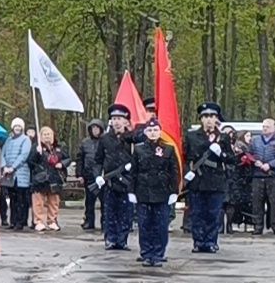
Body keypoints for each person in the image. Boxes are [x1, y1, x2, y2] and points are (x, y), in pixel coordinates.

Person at [182, 103, 234, 253]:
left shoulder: (223, 138)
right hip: (197, 180)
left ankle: (211, 241)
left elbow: (231, 159)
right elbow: (184, 157)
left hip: (216, 181)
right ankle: (198, 241)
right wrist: (187, 173)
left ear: (217, 119)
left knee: (213, 213)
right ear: (201, 119)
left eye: (212, 116)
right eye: (205, 116)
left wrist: (221, 154)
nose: (209, 120)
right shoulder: (192, 136)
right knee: (197, 213)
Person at [131, 120, 180, 266]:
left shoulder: (168, 149)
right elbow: (134, 172)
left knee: (161, 225)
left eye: (155, 130)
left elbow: (174, 172)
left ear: (160, 131)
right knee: (145, 225)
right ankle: (146, 254)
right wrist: (131, 191)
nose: (152, 133)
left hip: (162, 192)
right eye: (150, 130)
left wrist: (174, 191)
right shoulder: (139, 150)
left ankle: (158, 254)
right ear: (146, 132)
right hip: (143, 192)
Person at [95, 104, 137, 250]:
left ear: (126, 121)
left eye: (120, 118)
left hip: (127, 181)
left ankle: (122, 240)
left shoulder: (132, 138)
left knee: (126, 213)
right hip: (110, 181)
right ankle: (111, 239)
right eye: (114, 118)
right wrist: (97, 176)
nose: (116, 121)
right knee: (109, 212)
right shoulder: (105, 139)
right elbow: (98, 160)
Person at [245, 119, 275, 235]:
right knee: (257, 201)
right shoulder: (255, 141)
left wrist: (270, 165)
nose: (265, 128)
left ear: (274, 127)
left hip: (273, 176)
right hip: (257, 175)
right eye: (263, 126)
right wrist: (255, 161)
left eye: (268, 127)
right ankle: (258, 226)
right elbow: (248, 153)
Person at [29, 125, 65, 231]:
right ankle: (38, 221)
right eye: (44, 134)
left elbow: (67, 158)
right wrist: (37, 153)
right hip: (39, 178)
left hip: (54, 178)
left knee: (54, 202)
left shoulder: (58, 148)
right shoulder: (36, 147)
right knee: (38, 202)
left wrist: (62, 164)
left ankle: (52, 221)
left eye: (49, 134)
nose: (47, 137)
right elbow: (30, 162)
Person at [0, 119, 33, 231]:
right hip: (9, 175)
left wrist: (13, 167)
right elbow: (2, 153)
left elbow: (23, 155)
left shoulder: (26, 139)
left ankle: (20, 222)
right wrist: (4, 166)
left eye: (19, 126)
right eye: (15, 126)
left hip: (21, 173)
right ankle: (13, 221)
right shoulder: (8, 140)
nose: (17, 128)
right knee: (12, 199)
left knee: (21, 199)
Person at [77, 119, 106, 230]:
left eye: (97, 128)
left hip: (102, 175)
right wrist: (79, 174)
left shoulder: (105, 141)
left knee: (104, 201)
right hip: (88, 175)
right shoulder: (85, 142)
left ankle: (105, 222)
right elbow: (80, 159)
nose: (95, 130)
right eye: (93, 128)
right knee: (89, 201)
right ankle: (89, 221)